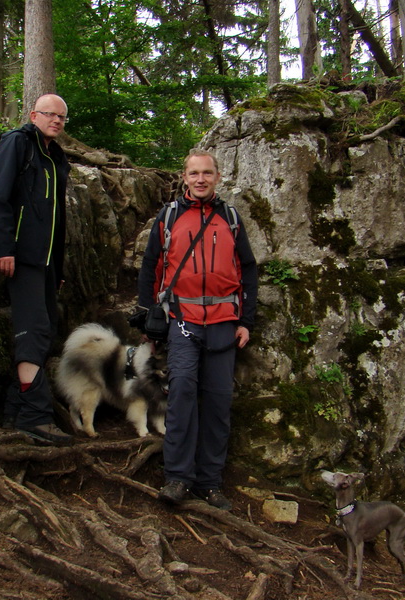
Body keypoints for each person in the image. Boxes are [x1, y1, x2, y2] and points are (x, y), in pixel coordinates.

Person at [137, 150, 258, 510]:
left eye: (207, 173)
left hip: (224, 324)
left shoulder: (231, 218)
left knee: (219, 403)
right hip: (183, 322)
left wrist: (246, 321)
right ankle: (177, 478)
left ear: (218, 176)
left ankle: (209, 482)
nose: (201, 179)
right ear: (185, 177)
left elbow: (248, 271)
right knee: (182, 397)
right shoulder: (170, 216)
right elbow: (150, 267)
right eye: (194, 173)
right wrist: (149, 319)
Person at [0, 94, 73, 445]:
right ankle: (36, 417)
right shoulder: (17, 143)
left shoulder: (55, 157)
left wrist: (59, 266)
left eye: (62, 117)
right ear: (34, 114)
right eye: (51, 115)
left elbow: (58, 219)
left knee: (46, 327)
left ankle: (14, 410)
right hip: (21, 257)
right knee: (33, 329)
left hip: (47, 261)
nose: (57, 121)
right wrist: (4, 248)